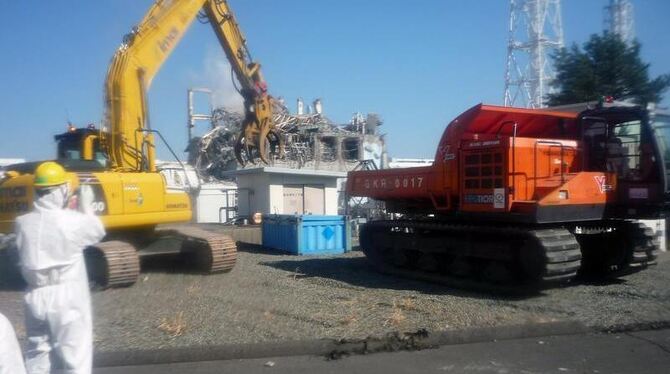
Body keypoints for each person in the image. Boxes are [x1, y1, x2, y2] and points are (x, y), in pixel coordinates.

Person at [15, 161, 105, 374]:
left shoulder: (22, 222)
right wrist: (87, 207)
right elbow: (97, 231)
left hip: (34, 296)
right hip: (67, 297)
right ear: (62, 189)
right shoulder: (72, 221)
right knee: (76, 358)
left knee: (38, 355)